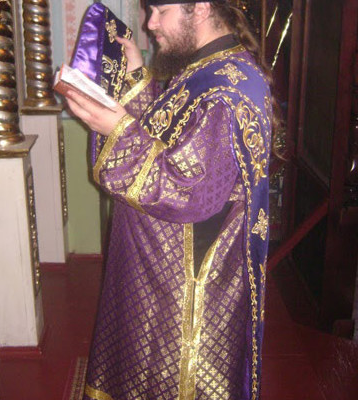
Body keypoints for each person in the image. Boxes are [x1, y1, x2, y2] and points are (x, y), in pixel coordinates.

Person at [67, 1, 273, 399]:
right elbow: (169, 139)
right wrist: (135, 74)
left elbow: (190, 192)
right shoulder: (207, 68)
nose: (151, 23)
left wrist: (118, 130)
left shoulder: (227, 90)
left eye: (161, 11)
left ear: (201, 8)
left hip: (182, 293)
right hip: (158, 271)